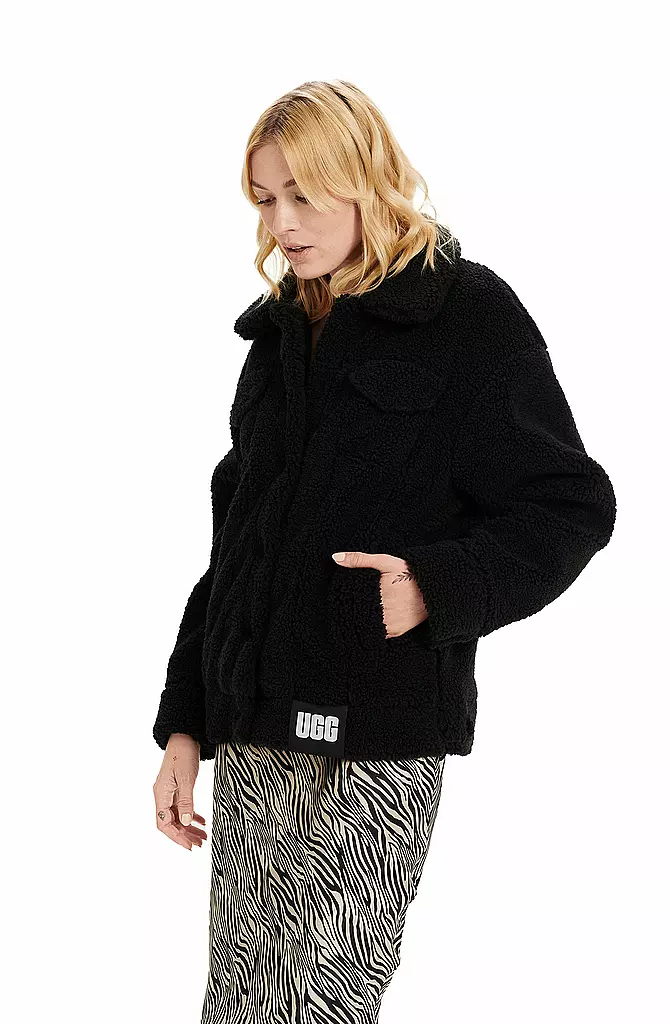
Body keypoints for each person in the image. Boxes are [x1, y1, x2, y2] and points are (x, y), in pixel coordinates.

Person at [152, 79, 617, 1023]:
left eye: (304, 195)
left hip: (378, 735)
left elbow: (570, 504)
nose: (282, 223)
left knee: (323, 1002)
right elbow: (235, 545)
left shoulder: (467, 315)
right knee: (241, 1005)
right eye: (265, 199)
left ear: (364, 179)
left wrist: (434, 586)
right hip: (255, 736)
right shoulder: (280, 336)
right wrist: (186, 724)